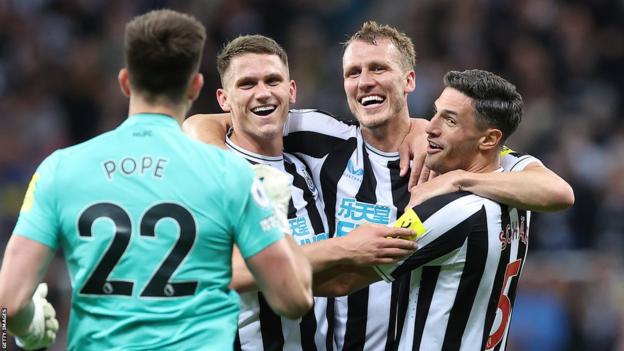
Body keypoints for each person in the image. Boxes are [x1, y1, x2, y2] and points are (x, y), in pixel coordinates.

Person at [184, 21, 574, 350]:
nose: (365, 81)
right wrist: (218, 163)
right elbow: (211, 123)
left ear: (409, 80)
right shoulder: (320, 140)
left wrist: (457, 175)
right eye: (353, 73)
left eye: (378, 69)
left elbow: (555, 190)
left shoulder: (448, 157)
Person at [0, 9, 313, 351]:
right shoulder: (231, 173)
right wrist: (275, 215)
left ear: (124, 82)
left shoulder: (59, 169)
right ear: (196, 87)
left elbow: (6, 306)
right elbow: (293, 299)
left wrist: (28, 328)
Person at [202, 34, 417, 351]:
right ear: (223, 99)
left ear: (291, 91)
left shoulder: (302, 169)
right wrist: (345, 248)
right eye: (247, 84)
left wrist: (420, 129)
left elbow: (324, 279)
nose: (262, 93)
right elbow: (230, 271)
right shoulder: (215, 172)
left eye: (272, 80)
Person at [317, 69, 535, 351]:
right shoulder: (520, 198)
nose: (429, 128)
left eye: (450, 120)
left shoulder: (447, 211)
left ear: (489, 140)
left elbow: (341, 281)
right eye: (436, 113)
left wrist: (261, 268)